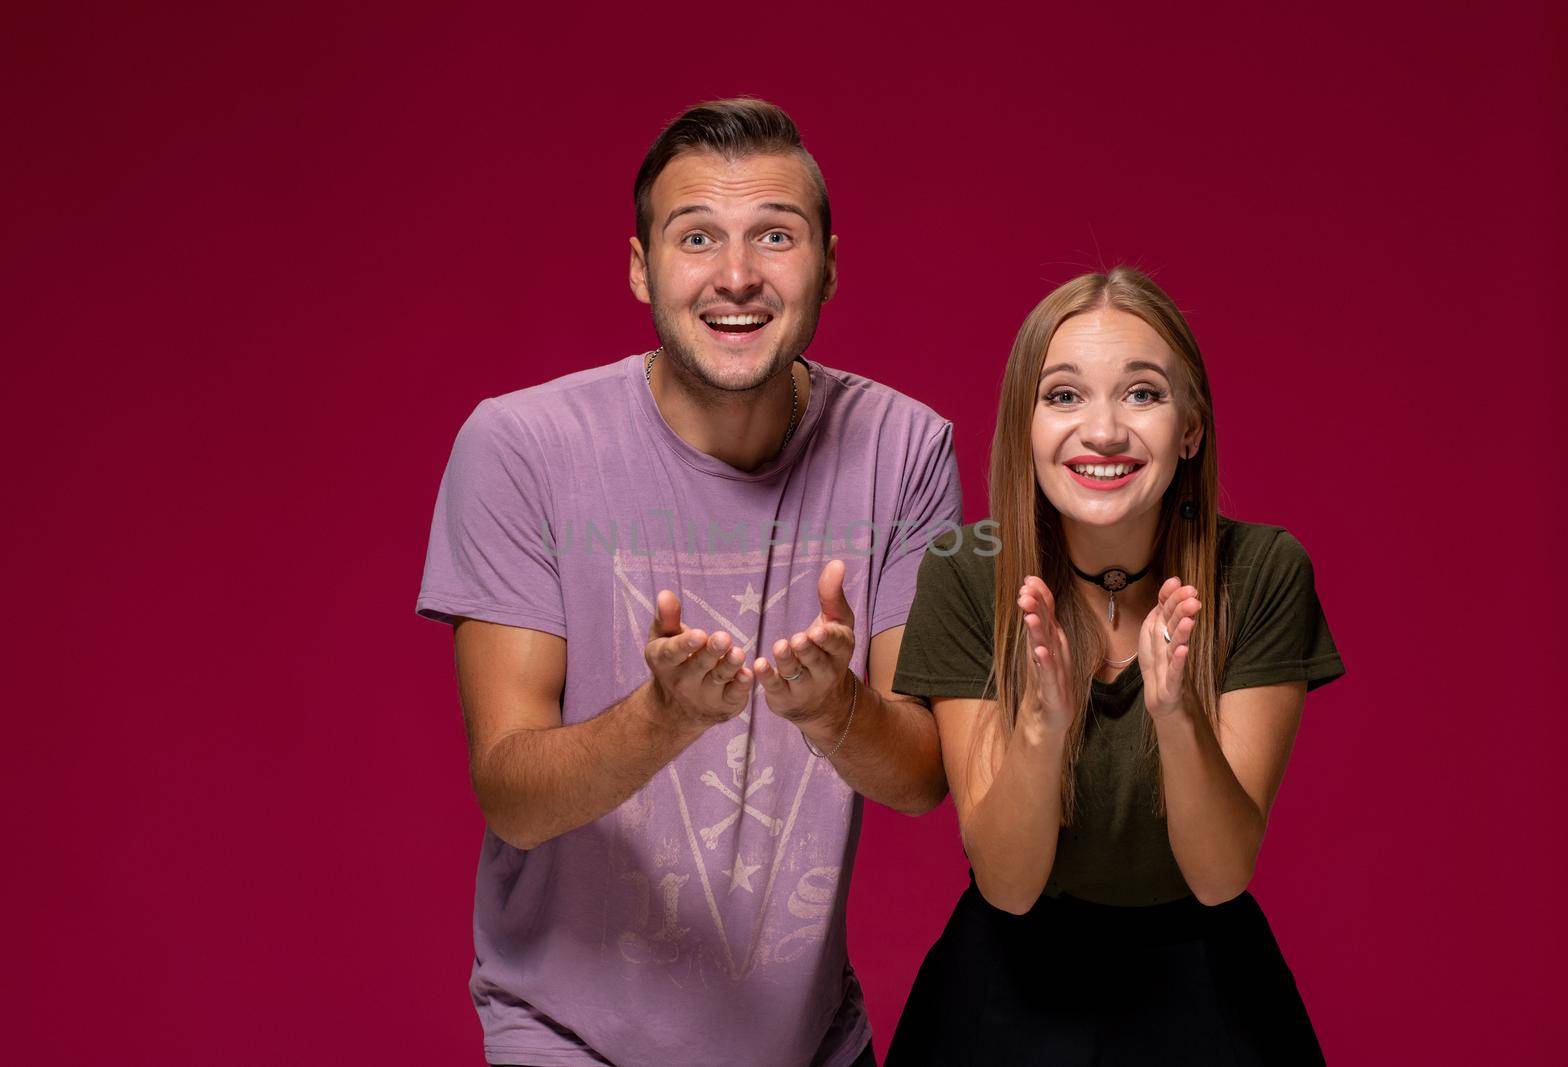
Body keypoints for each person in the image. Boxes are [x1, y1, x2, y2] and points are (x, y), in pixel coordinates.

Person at [414, 98, 961, 1067]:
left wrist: (838, 709)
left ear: (829, 263)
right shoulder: (521, 447)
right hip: (568, 1039)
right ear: (639, 268)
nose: (737, 274)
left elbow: (923, 775)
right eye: (696, 236)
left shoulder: (904, 448)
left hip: (813, 1043)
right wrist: (663, 715)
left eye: (775, 236)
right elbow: (511, 791)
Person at [885, 266, 1345, 1065]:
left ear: (1190, 427)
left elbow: (1220, 874)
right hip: (1003, 994)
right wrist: (1044, 727)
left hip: (1210, 992)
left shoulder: (1264, 569)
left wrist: (1176, 715)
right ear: (1025, 425)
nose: (1102, 431)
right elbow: (1008, 883)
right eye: (1063, 396)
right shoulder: (966, 572)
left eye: (1142, 394)